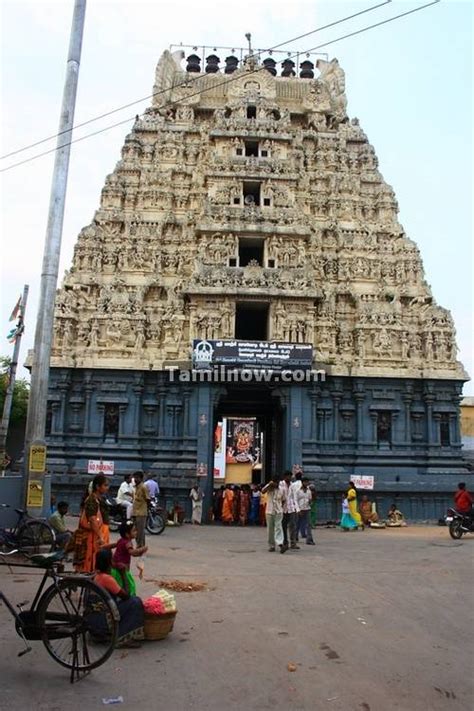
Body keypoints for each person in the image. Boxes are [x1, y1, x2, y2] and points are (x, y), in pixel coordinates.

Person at [93, 549, 145, 648]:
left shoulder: (95, 575)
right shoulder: (106, 579)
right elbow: (127, 596)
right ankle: (122, 638)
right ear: (108, 563)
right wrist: (123, 573)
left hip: (95, 617)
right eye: (112, 560)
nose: (114, 562)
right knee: (136, 602)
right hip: (104, 619)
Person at [73, 474, 109, 572]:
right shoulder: (92, 500)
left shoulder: (96, 500)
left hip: (93, 537)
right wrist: (100, 536)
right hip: (89, 537)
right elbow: (92, 520)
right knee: (88, 565)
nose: (107, 488)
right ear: (97, 487)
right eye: (105, 485)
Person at [112, 521, 148, 595]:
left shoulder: (121, 541)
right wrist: (143, 549)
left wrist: (140, 554)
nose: (136, 532)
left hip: (117, 569)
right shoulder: (127, 543)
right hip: (122, 570)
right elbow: (132, 552)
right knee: (128, 588)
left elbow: (132, 553)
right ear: (127, 534)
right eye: (134, 530)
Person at [262, 476, 286, 553]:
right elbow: (263, 491)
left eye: (277, 482)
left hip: (278, 511)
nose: (276, 484)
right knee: (270, 529)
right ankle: (271, 545)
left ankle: (280, 543)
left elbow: (283, 500)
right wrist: (269, 485)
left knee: (278, 527)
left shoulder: (282, 489)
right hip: (269, 511)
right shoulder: (269, 488)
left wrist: (280, 508)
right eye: (275, 482)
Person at [132, 471, 149, 547]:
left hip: (141, 512)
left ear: (141, 478)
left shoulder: (143, 487)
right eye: (134, 477)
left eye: (137, 478)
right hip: (135, 511)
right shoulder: (136, 487)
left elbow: (147, 499)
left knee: (140, 531)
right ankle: (139, 545)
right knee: (136, 530)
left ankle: (140, 546)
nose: (135, 479)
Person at [296, 478, 315, 545]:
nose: (306, 484)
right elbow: (296, 500)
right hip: (300, 509)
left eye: (307, 482)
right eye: (305, 482)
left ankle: (309, 539)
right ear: (302, 482)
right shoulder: (298, 491)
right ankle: (295, 537)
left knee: (309, 524)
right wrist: (298, 510)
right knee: (297, 524)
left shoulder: (309, 491)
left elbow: (310, 499)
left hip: (307, 508)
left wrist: (310, 502)